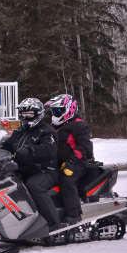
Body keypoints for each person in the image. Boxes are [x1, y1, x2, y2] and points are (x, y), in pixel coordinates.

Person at [0, 98, 60, 231]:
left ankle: (52, 224)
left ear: (38, 114)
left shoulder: (47, 131)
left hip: (44, 171)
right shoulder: (19, 132)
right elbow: (7, 145)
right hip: (23, 170)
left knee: (34, 186)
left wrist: (30, 150)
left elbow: (49, 149)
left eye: (29, 114)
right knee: (0, 184)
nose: (25, 117)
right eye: (23, 114)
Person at [46, 94, 93, 225]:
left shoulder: (79, 125)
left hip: (76, 162)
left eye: (58, 111)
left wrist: (71, 162)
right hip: (58, 162)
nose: (55, 114)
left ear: (69, 109)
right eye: (54, 111)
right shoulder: (56, 126)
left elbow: (83, 145)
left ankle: (74, 214)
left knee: (66, 180)